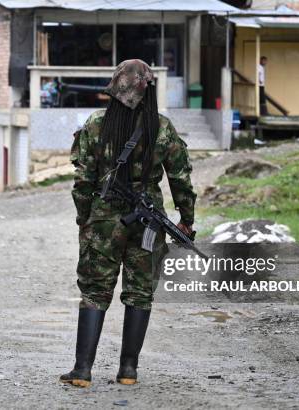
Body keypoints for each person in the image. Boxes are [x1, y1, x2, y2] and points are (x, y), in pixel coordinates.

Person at [60, 59, 196, 387]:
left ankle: (82, 371)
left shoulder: (95, 124)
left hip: (103, 219)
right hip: (148, 222)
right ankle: (128, 371)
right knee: (140, 292)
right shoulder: (162, 127)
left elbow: (83, 181)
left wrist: (84, 218)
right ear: (148, 92)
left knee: (94, 291)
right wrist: (186, 219)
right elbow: (180, 178)